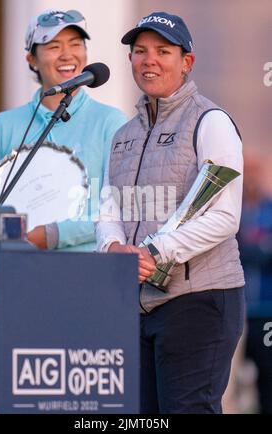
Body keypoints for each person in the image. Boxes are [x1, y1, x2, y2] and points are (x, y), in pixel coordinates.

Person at [96, 11, 245, 413]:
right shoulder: (124, 135)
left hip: (201, 301)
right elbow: (109, 205)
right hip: (138, 304)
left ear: (187, 62)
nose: (150, 60)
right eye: (140, 51)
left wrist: (156, 251)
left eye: (163, 51)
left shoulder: (210, 121)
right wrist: (111, 247)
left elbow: (225, 217)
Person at [0, 9, 127, 250]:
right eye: (53, 46)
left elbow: (120, 206)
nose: (67, 55)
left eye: (75, 44)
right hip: (17, 267)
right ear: (31, 59)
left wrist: (52, 234)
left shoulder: (111, 122)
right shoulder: (2, 126)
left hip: (89, 268)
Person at [238, 153, 272, 414]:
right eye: (244, 171)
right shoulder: (230, 213)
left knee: (268, 380)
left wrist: (249, 250)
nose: (249, 177)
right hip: (234, 312)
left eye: (253, 171)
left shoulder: (268, 209)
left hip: (265, 312)